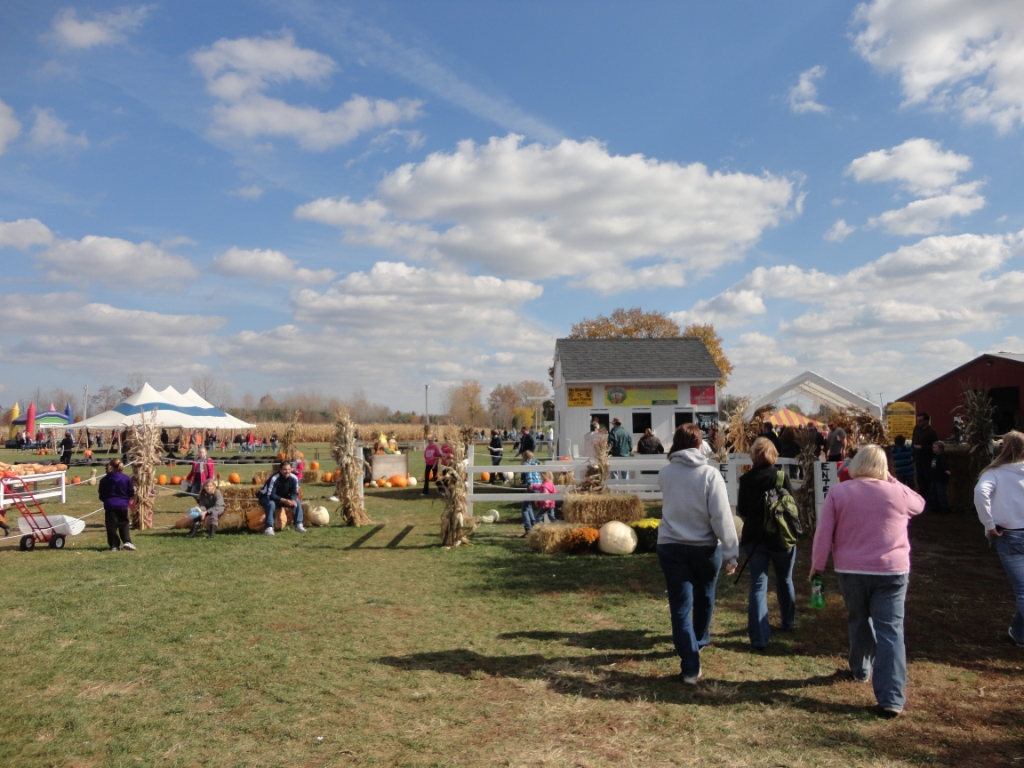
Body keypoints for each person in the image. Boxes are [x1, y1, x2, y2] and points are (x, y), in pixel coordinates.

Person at [811, 444, 925, 718]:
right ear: (884, 468)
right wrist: (891, 479)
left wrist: (817, 566)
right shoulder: (897, 492)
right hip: (892, 571)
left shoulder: (839, 492)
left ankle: (861, 668)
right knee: (891, 631)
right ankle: (891, 697)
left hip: (851, 569)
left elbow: (823, 532)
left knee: (858, 618)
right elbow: (919, 504)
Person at [657, 424, 739, 684]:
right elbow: (721, 516)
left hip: (671, 544)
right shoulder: (709, 475)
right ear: (699, 443)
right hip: (704, 547)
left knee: (680, 608)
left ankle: (690, 667)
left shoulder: (666, 473)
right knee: (705, 597)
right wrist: (731, 551)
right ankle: (700, 639)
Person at [737, 437, 796, 649]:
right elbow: (793, 506)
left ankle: (759, 638)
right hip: (781, 537)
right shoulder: (780, 477)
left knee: (758, 586)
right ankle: (787, 621)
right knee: (784, 579)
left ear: (753, 455)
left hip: (754, 539)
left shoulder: (746, 479)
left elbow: (742, 510)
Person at [973, 431, 1024, 646]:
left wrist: (989, 525)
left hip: (1009, 535)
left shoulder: (994, 472)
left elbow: (980, 493)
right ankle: (1019, 634)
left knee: (1022, 591)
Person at [257, 461, 305, 536]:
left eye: (289, 469)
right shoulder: (274, 478)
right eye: (285, 469)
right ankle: (268, 528)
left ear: (291, 469)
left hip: (281, 498)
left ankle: (298, 525)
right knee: (271, 504)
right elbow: (270, 495)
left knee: (297, 502)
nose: (287, 471)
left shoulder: (294, 478)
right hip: (266, 497)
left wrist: (292, 499)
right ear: (280, 470)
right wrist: (284, 500)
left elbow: (294, 492)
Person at [98, 458, 137, 552]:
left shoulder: (104, 480)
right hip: (122, 505)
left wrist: (106, 500)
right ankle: (127, 541)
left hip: (110, 505)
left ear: (110, 467)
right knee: (123, 523)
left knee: (111, 526)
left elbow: (101, 493)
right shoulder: (126, 478)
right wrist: (126, 499)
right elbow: (130, 492)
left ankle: (114, 545)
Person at [912, 413, 938, 504]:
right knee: (920, 480)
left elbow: (935, 447)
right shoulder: (916, 428)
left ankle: (931, 501)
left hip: (928, 459)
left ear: (926, 421)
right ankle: (922, 501)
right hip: (918, 458)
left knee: (928, 480)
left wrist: (922, 447)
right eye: (917, 420)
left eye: (920, 420)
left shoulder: (931, 432)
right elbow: (913, 440)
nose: (918, 422)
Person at [518, 450, 541, 535]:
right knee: (529, 505)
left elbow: (523, 473)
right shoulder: (537, 463)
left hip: (531, 486)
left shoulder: (526, 464)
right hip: (539, 486)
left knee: (524, 508)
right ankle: (533, 522)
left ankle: (528, 528)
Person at [930, 441, 951, 513]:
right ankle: (937, 507)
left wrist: (946, 470)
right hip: (935, 478)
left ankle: (944, 508)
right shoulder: (935, 457)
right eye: (933, 447)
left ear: (941, 449)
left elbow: (944, 465)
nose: (933, 449)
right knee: (935, 493)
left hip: (940, 479)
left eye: (935, 447)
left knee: (941, 493)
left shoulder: (942, 457)